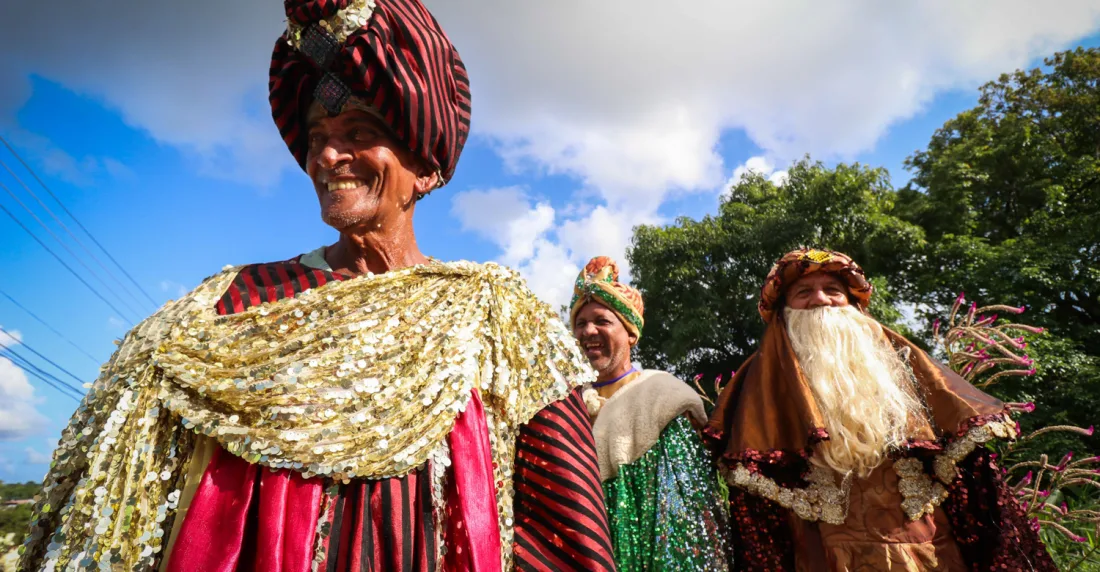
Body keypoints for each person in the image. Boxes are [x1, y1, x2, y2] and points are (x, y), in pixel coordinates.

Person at [19, 2, 615, 570]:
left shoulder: (501, 322)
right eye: (316, 136)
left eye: (358, 131)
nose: (330, 154)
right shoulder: (228, 308)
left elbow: (564, 538)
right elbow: (115, 519)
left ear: (426, 167)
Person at [704, 248, 1054, 571]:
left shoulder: (900, 360)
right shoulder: (759, 382)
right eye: (803, 292)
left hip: (927, 545)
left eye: (832, 289)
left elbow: (969, 473)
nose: (821, 300)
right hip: (820, 550)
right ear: (783, 313)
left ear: (854, 304)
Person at [571, 256, 731, 571]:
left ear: (630, 333)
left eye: (602, 321)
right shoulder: (569, 403)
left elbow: (685, 515)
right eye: (580, 323)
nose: (588, 331)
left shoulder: (661, 396)